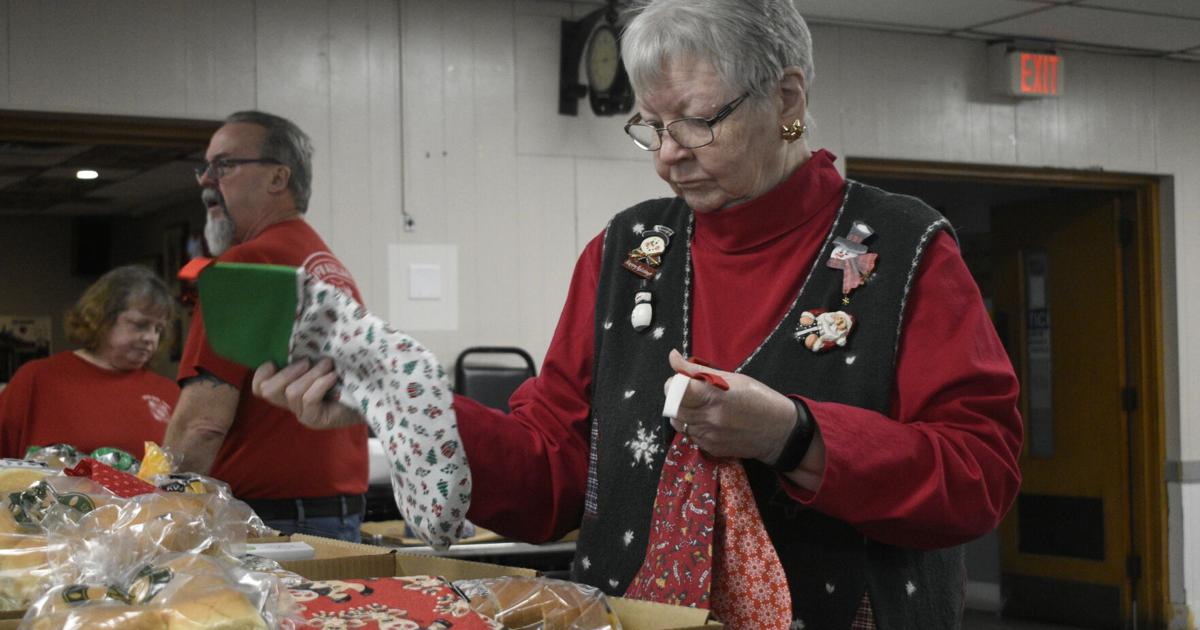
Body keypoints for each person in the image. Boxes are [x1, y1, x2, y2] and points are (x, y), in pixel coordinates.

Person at [253, 1, 1023, 627]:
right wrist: (399, 404)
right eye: (650, 127)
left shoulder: (904, 246)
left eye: (696, 120)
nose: (667, 155)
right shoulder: (628, 252)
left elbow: (980, 475)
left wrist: (796, 436)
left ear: (786, 99)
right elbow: (553, 472)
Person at [164, 110, 369, 542]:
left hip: (271, 520)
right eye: (205, 167)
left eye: (224, 165)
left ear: (278, 178)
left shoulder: (247, 265)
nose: (205, 180)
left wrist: (159, 514)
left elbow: (202, 423)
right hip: (331, 514)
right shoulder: (325, 264)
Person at [0, 265, 178, 460]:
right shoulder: (36, 379)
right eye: (140, 324)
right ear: (102, 317)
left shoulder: (170, 393)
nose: (150, 338)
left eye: (158, 329)